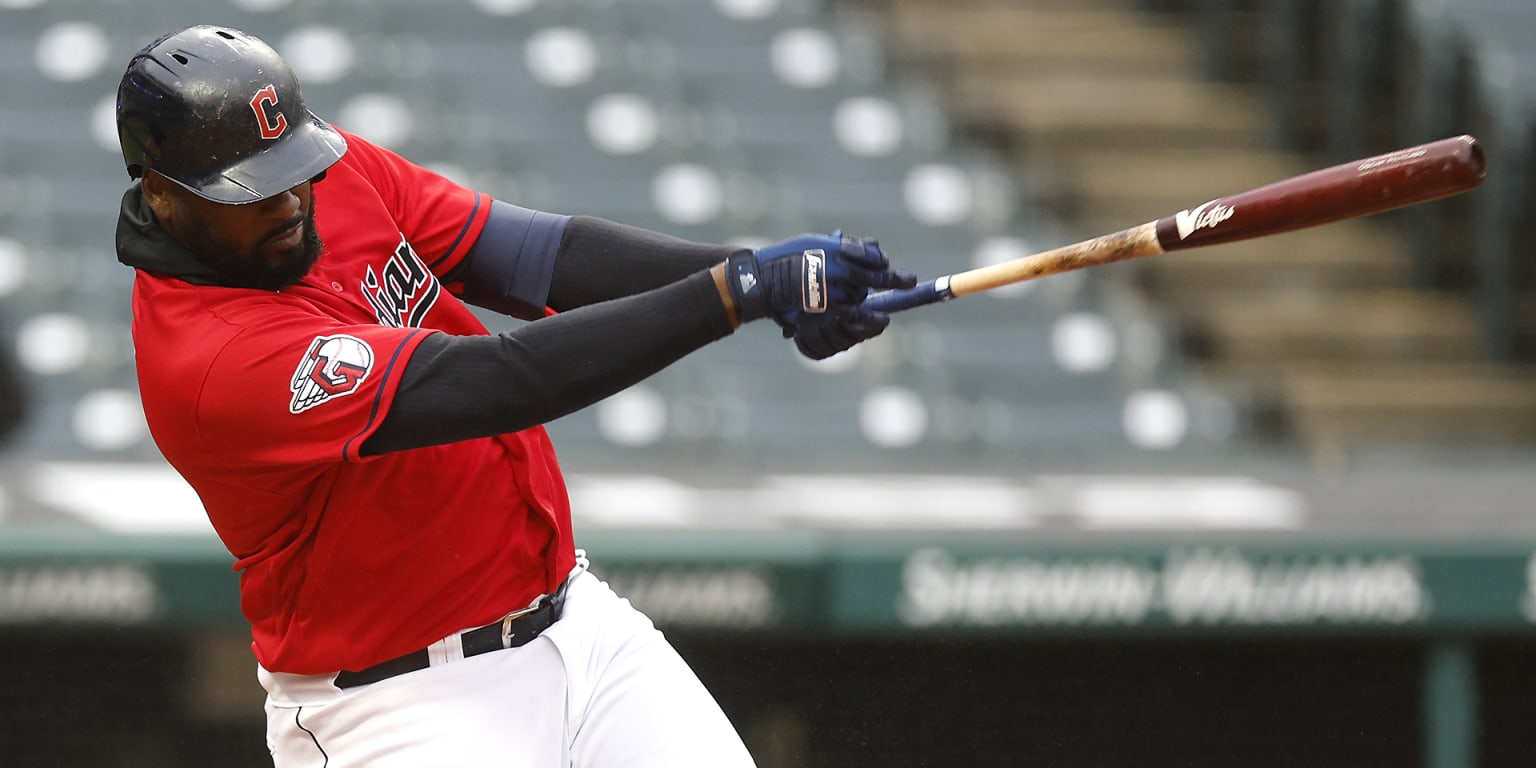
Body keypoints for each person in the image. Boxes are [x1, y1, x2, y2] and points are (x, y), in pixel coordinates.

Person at [114, 24, 913, 768]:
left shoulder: (328, 174)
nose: (290, 201)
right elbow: (499, 381)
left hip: (578, 629)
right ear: (160, 193)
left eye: (293, 169)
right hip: (401, 704)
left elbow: (535, 255)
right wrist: (733, 293)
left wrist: (770, 279)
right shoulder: (210, 360)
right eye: (252, 189)